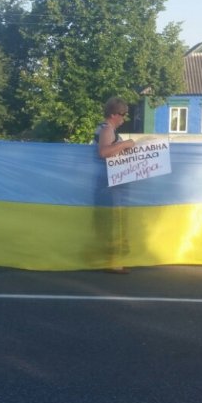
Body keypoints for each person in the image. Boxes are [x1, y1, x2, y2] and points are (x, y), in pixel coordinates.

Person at [94, 97, 135, 273]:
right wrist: (125, 144)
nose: (124, 118)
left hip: (110, 183)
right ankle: (112, 262)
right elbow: (104, 152)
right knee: (114, 221)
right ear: (113, 114)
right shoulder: (107, 129)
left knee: (112, 221)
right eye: (122, 114)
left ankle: (110, 260)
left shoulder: (107, 129)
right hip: (109, 184)